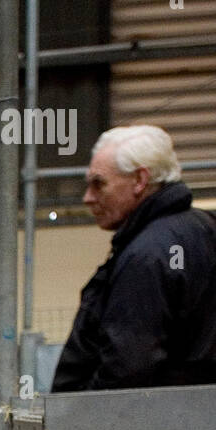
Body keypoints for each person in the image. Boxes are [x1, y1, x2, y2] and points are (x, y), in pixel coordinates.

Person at [52, 125, 216, 392]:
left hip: (148, 424)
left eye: (99, 184)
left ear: (140, 180)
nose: (88, 198)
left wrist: (81, 419)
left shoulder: (146, 255)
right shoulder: (204, 228)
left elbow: (128, 368)